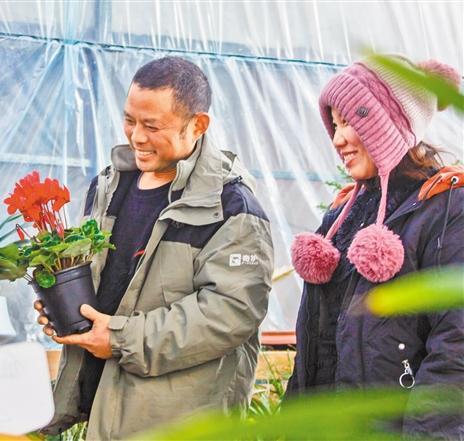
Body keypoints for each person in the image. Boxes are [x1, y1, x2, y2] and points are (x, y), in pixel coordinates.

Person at [36, 56, 274, 440]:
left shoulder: (229, 207)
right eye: (129, 120)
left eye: (152, 125)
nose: (136, 137)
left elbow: (231, 312)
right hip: (104, 413)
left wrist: (119, 338)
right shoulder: (109, 186)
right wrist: (64, 311)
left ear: (198, 125)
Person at [288, 55, 464, 438]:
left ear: (385, 124)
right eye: (334, 125)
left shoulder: (447, 210)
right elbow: (312, 348)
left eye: (349, 122)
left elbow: (455, 350)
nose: (337, 139)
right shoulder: (340, 217)